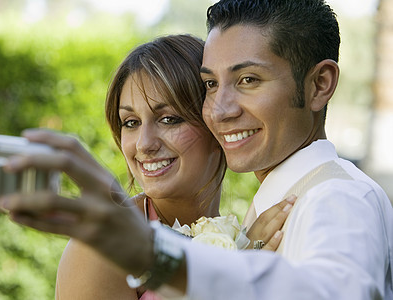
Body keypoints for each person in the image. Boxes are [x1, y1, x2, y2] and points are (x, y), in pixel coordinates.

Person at [0, 0, 393, 299]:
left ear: (320, 84)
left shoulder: (337, 197)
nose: (221, 109)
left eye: (249, 79)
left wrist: (160, 256)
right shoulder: (271, 208)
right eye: (210, 85)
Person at [21, 35, 293, 300]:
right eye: (130, 122)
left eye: (169, 119)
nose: (144, 144)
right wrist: (236, 277)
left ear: (216, 121)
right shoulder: (103, 247)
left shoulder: (249, 231)